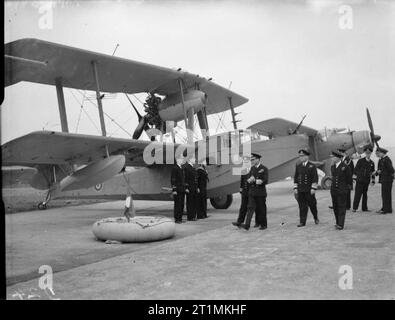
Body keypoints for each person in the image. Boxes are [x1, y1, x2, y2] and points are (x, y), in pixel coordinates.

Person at [240, 153, 269, 230]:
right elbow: (248, 179)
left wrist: (255, 180)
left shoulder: (264, 168)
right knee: (250, 208)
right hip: (252, 192)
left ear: (258, 159)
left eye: (253, 159)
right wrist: (249, 180)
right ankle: (247, 225)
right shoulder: (252, 169)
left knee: (261, 209)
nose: (252, 161)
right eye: (251, 160)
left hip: (260, 193)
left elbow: (265, 180)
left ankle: (263, 225)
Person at [293, 149, 319, 227]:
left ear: (307, 156)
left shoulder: (312, 166)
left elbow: (315, 178)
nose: (301, 157)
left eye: (302, 156)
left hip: (309, 190)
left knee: (312, 205)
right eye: (300, 156)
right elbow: (296, 177)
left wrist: (313, 188)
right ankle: (302, 222)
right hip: (301, 189)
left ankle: (315, 217)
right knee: (302, 206)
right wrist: (295, 188)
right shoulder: (298, 166)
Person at [330, 150, 353, 230]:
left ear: (338, 158)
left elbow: (349, 179)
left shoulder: (345, 167)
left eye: (333, 157)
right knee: (335, 207)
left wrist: (346, 189)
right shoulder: (332, 167)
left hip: (342, 190)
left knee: (341, 207)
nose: (332, 158)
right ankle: (337, 222)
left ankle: (341, 224)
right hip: (334, 190)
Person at [232, 156, 256, 227]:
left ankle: (256, 222)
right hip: (245, 192)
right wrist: (241, 188)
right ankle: (239, 222)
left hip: (251, 191)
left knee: (252, 207)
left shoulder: (254, 170)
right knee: (243, 207)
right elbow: (242, 180)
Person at [352, 146, 375, 212]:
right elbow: (355, 170)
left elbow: (372, 172)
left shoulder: (372, 163)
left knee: (365, 195)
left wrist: (373, 180)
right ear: (365, 153)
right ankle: (354, 208)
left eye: (369, 153)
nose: (368, 154)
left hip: (366, 181)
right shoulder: (360, 161)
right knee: (357, 194)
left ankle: (364, 208)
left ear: (371, 153)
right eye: (367, 153)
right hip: (359, 180)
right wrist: (354, 178)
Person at [375, 147, 394, 214]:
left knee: (386, 195)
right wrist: (377, 173)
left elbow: (391, 170)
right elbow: (380, 169)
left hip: (387, 180)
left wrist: (381, 172)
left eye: (378, 153)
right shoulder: (382, 160)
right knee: (385, 195)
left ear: (382, 153)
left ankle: (386, 209)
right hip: (384, 180)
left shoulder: (386, 160)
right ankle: (387, 208)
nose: (377, 154)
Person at [171, 156, 186, 224]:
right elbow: (173, 179)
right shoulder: (175, 168)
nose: (182, 160)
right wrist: (174, 190)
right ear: (177, 160)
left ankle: (180, 218)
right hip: (177, 190)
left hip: (182, 189)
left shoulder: (181, 168)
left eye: (182, 159)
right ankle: (177, 219)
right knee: (177, 205)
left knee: (181, 204)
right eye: (181, 159)